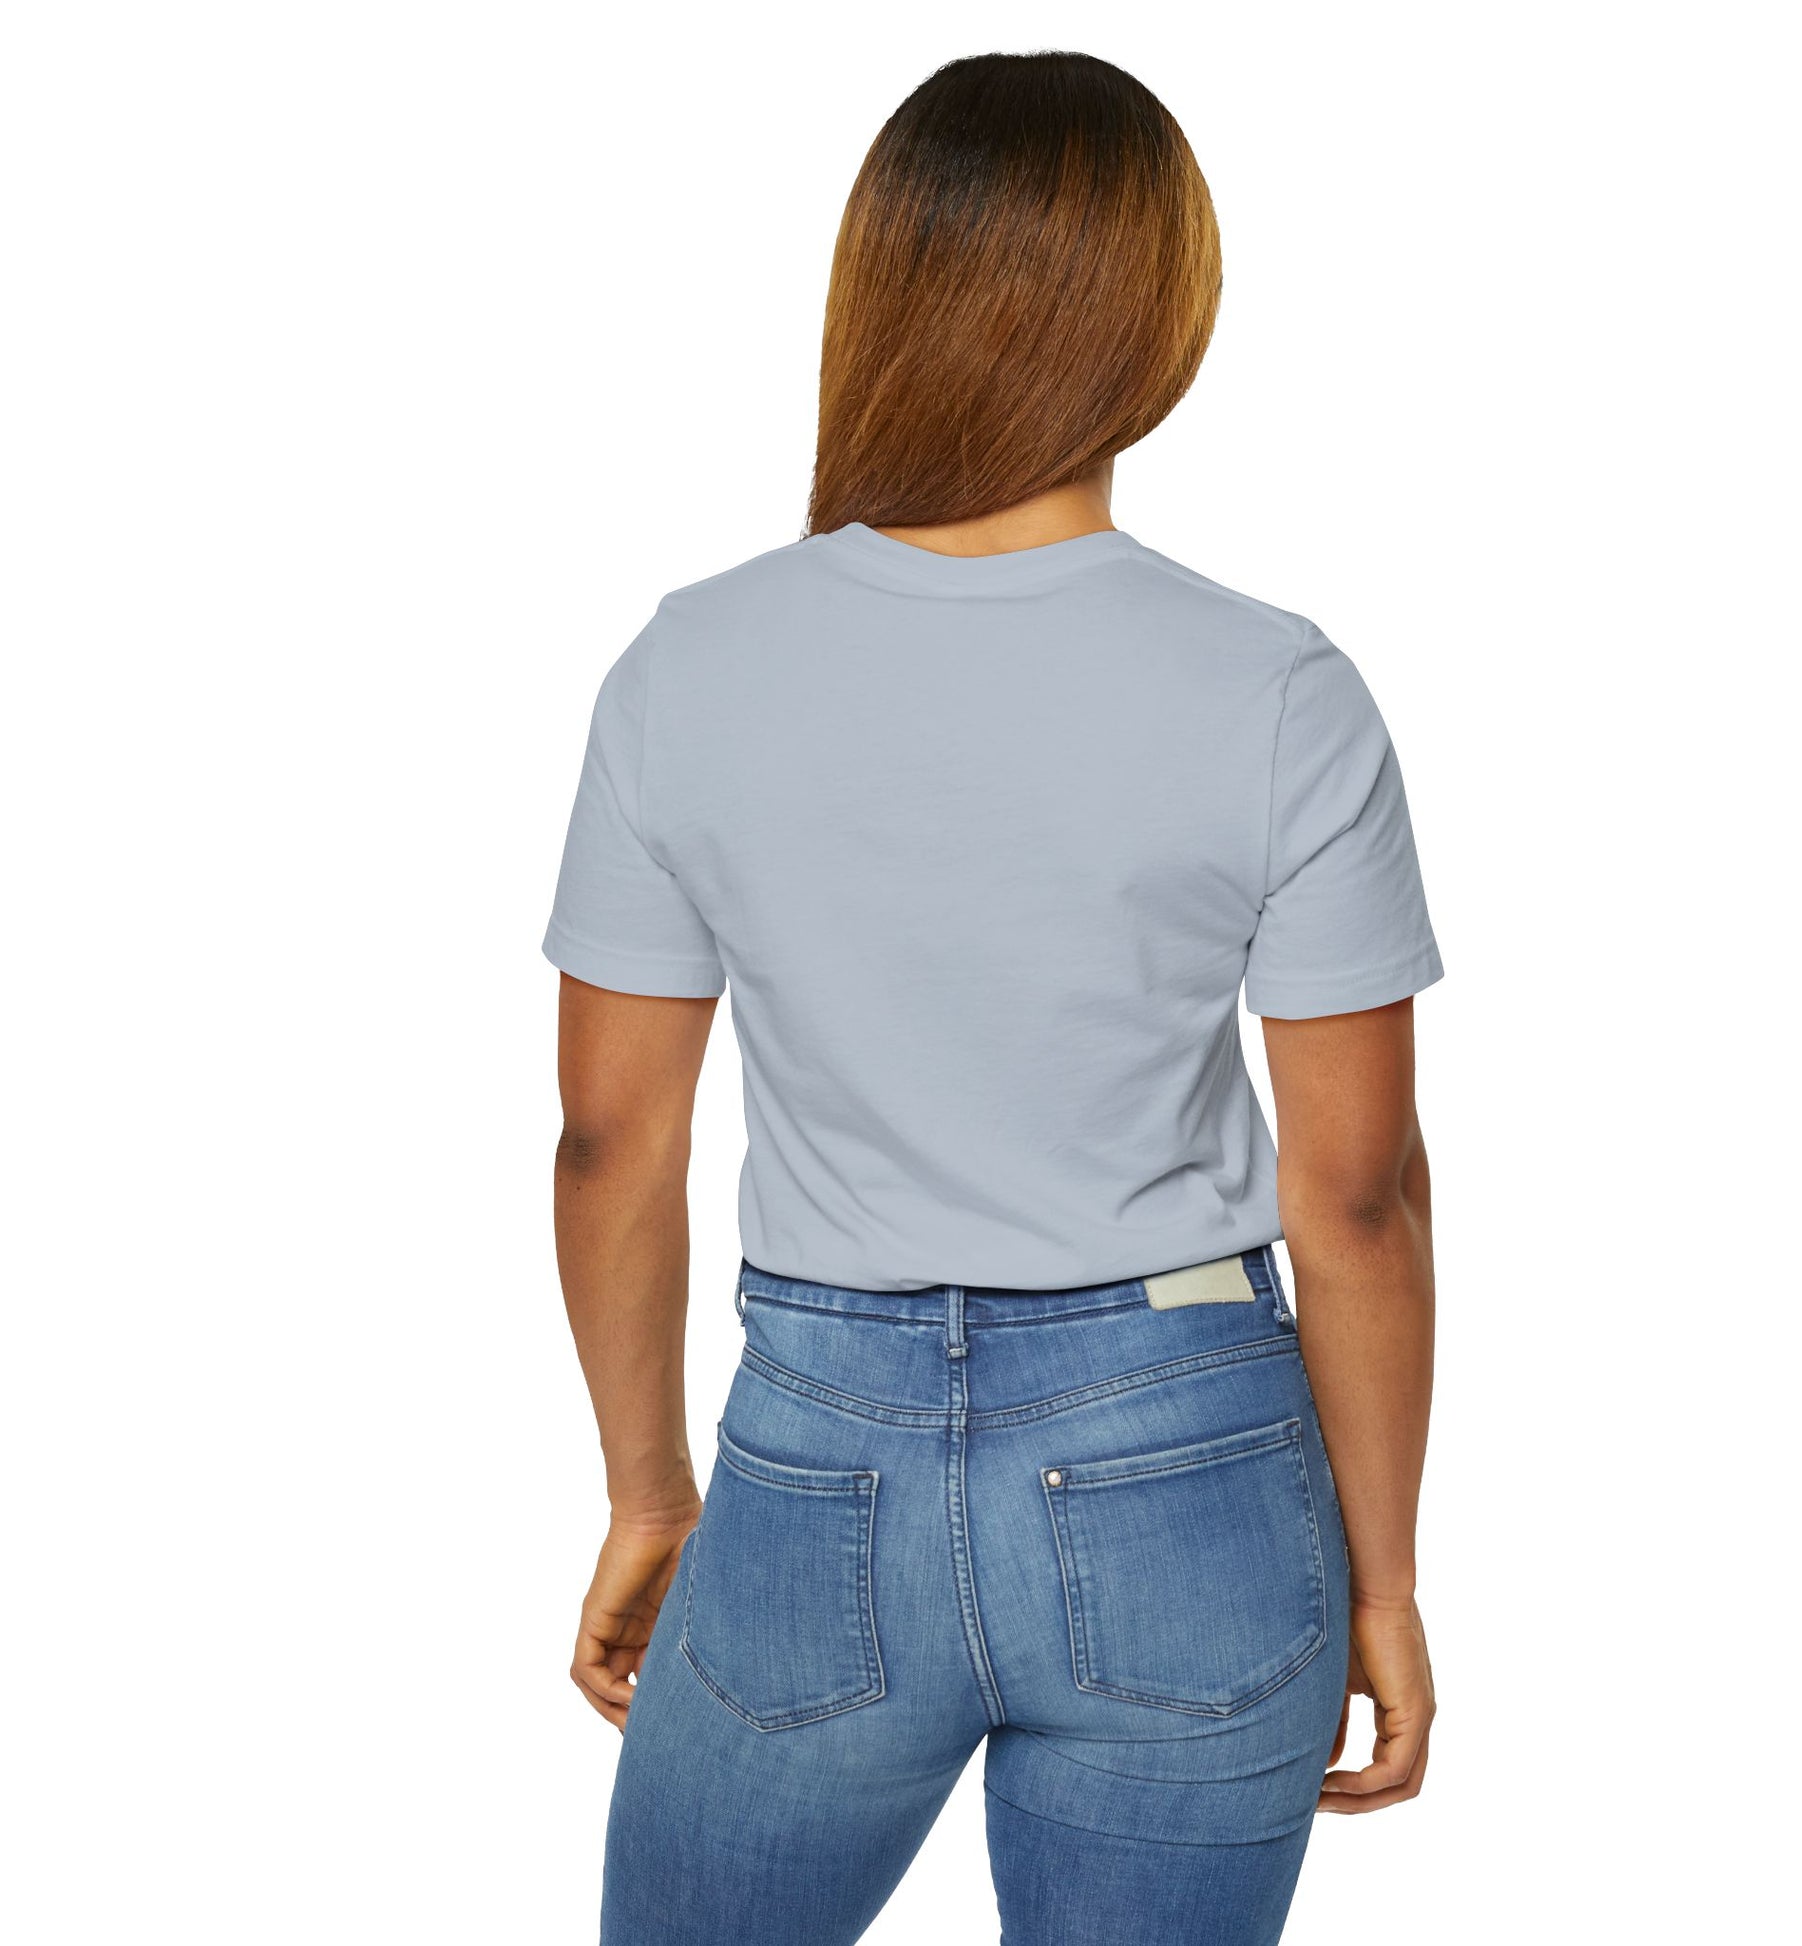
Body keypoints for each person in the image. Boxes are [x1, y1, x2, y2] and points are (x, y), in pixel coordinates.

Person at [544, 50, 1440, 1946]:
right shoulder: (1276, 690)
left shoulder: (690, 667)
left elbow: (612, 1140)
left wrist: (646, 1492)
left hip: (816, 1459)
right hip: (1189, 1460)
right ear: (1159, 315)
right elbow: (1355, 1197)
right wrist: (1381, 1581)